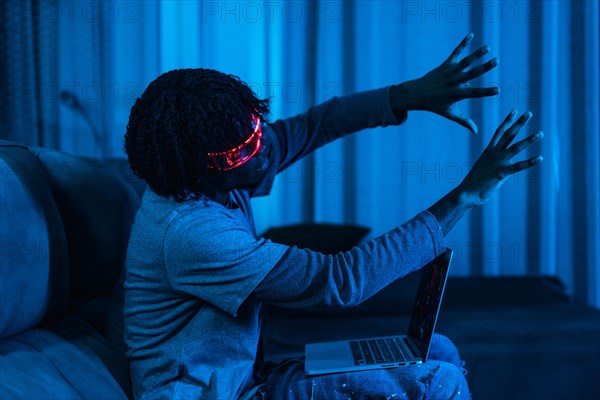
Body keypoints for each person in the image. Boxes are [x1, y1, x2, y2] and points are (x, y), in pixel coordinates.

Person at [123, 33, 543, 400]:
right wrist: (464, 197)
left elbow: (313, 125)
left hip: (248, 375)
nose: (264, 145)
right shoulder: (191, 232)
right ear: (203, 168)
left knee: (439, 351)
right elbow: (337, 281)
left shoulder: (216, 174)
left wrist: (407, 95)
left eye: (256, 124)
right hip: (224, 395)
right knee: (437, 379)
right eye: (245, 149)